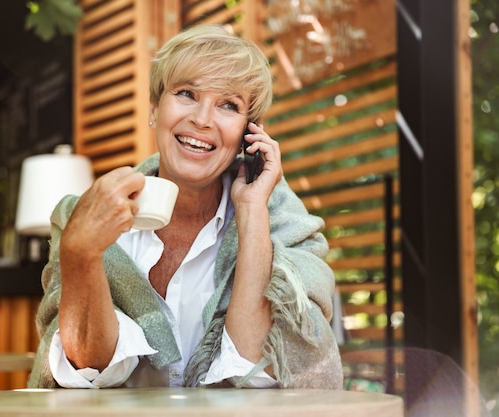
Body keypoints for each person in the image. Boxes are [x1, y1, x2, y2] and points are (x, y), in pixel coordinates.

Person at [27, 24, 343, 389]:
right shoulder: (80, 217)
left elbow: (256, 368)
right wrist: (81, 252)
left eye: (228, 105)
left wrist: (253, 211)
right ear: (154, 108)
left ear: (248, 132)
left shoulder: (283, 228)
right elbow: (88, 368)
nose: (203, 119)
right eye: (187, 93)